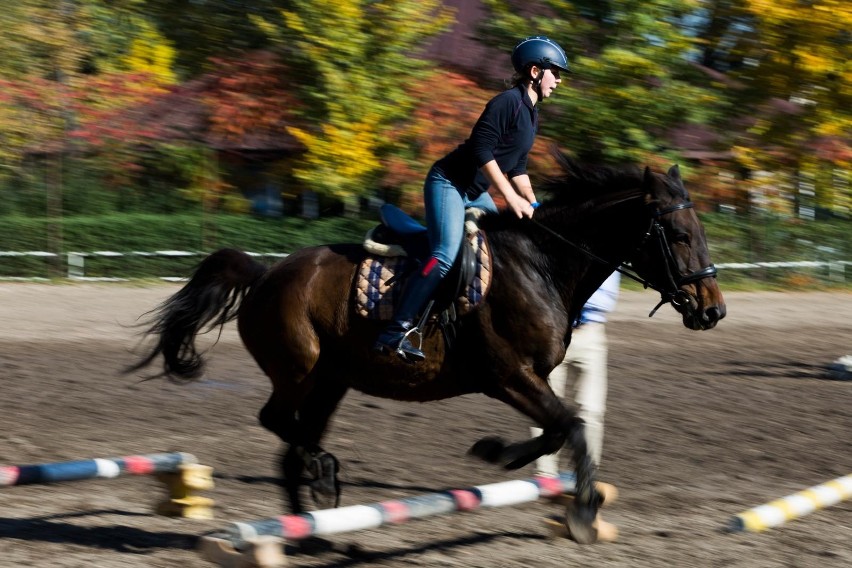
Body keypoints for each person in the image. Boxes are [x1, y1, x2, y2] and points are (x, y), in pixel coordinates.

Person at [374, 35, 570, 362]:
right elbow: (481, 152)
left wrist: (534, 204)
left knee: (501, 247)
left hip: (475, 193)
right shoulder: (507, 102)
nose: (560, 80)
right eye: (556, 73)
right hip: (449, 183)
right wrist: (509, 197)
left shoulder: (532, 114)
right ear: (535, 71)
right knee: (445, 256)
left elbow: (517, 165)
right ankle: (396, 330)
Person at [531, 271, 621, 475]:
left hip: (591, 332)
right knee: (546, 407)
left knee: (592, 409)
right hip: (552, 333)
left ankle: (586, 475)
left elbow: (605, 296)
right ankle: (545, 475)